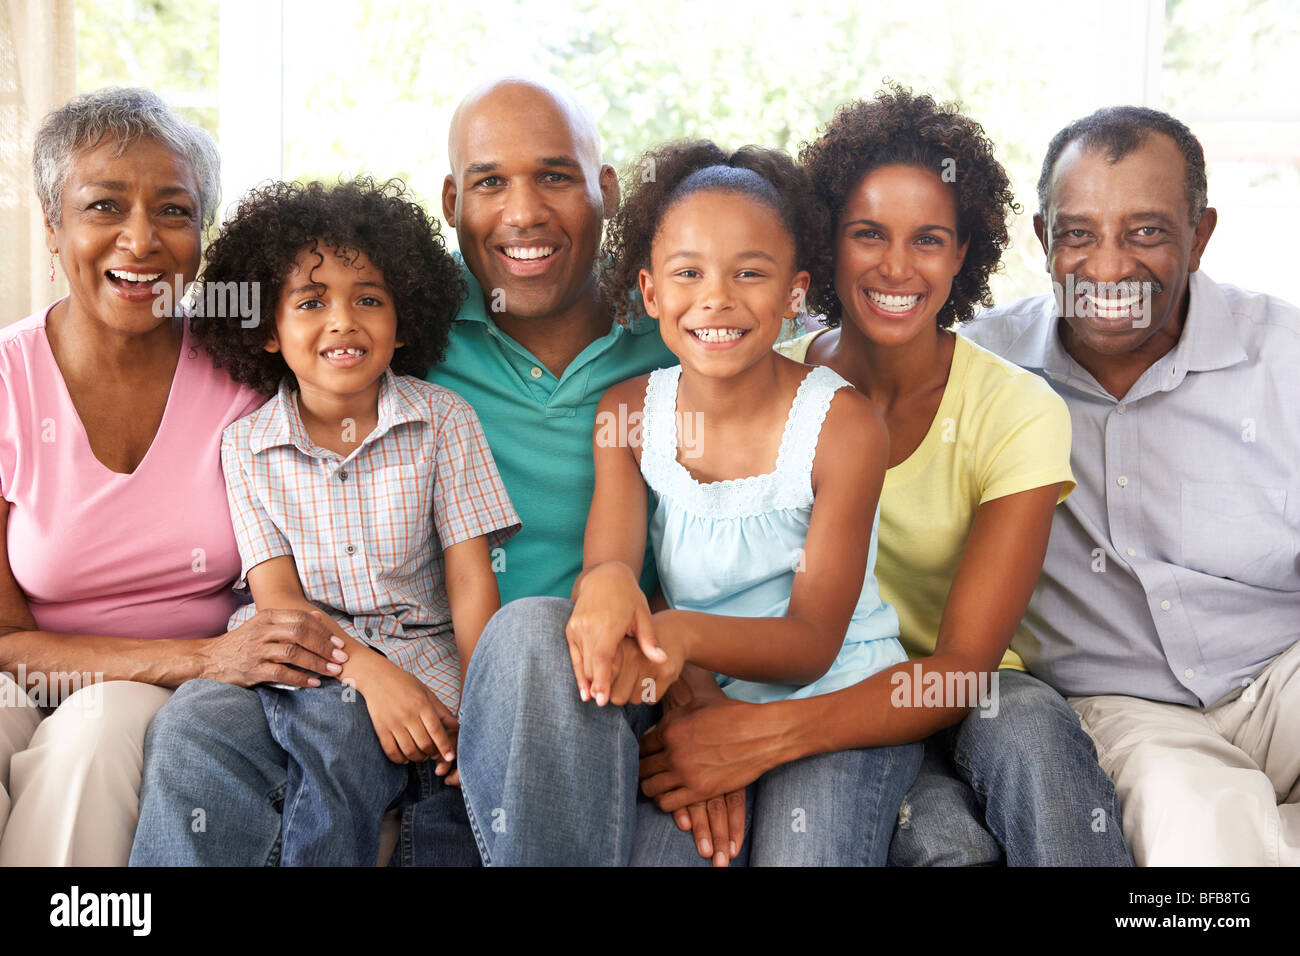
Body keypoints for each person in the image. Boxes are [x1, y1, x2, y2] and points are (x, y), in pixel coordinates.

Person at [642, 85, 1131, 866]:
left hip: (959, 694)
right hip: (812, 690)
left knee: (1031, 731)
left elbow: (959, 672)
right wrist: (702, 703)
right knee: (943, 846)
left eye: (929, 239)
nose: (896, 266)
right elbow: (676, 544)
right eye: (868, 233)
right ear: (825, 245)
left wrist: (755, 738)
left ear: (963, 254)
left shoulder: (1017, 411)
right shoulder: (753, 372)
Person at [458, 140, 922, 866]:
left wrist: (676, 637)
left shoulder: (845, 426)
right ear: (649, 292)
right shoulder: (630, 414)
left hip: (833, 697)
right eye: (688, 273)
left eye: (750, 273)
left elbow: (811, 642)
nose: (717, 298)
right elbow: (611, 559)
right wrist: (606, 582)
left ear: (796, 293)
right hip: (696, 691)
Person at [130, 178, 519, 866]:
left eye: (368, 299)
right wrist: (368, 673)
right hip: (301, 659)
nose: (343, 320)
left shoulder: (445, 422)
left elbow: (470, 585)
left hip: (427, 658)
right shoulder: (245, 445)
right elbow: (279, 604)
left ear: (402, 322)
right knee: (204, 722)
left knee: (447, 786)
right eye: (311, 303)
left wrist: (488, 715)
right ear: (271, 332)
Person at [0, 87, 343, 866]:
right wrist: (197, 658)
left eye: (175, 212)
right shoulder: (7, 379)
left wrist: (206, 666)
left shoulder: (248, 375)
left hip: (187, 696)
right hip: (44, 672)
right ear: (52, 226)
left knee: (94, 738)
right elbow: (3, 639)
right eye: (104, 206)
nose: (141, 239)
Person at [963, 105, 1300, 866]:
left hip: (1281, 672)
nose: (1109, 268)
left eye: (1146, 231)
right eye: (1079, 233)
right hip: (1127, 708)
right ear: (1045, 240)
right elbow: (813, 352)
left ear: (1201, 233)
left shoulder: (1286, 357)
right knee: (1198, 838)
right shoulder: (976, 371)